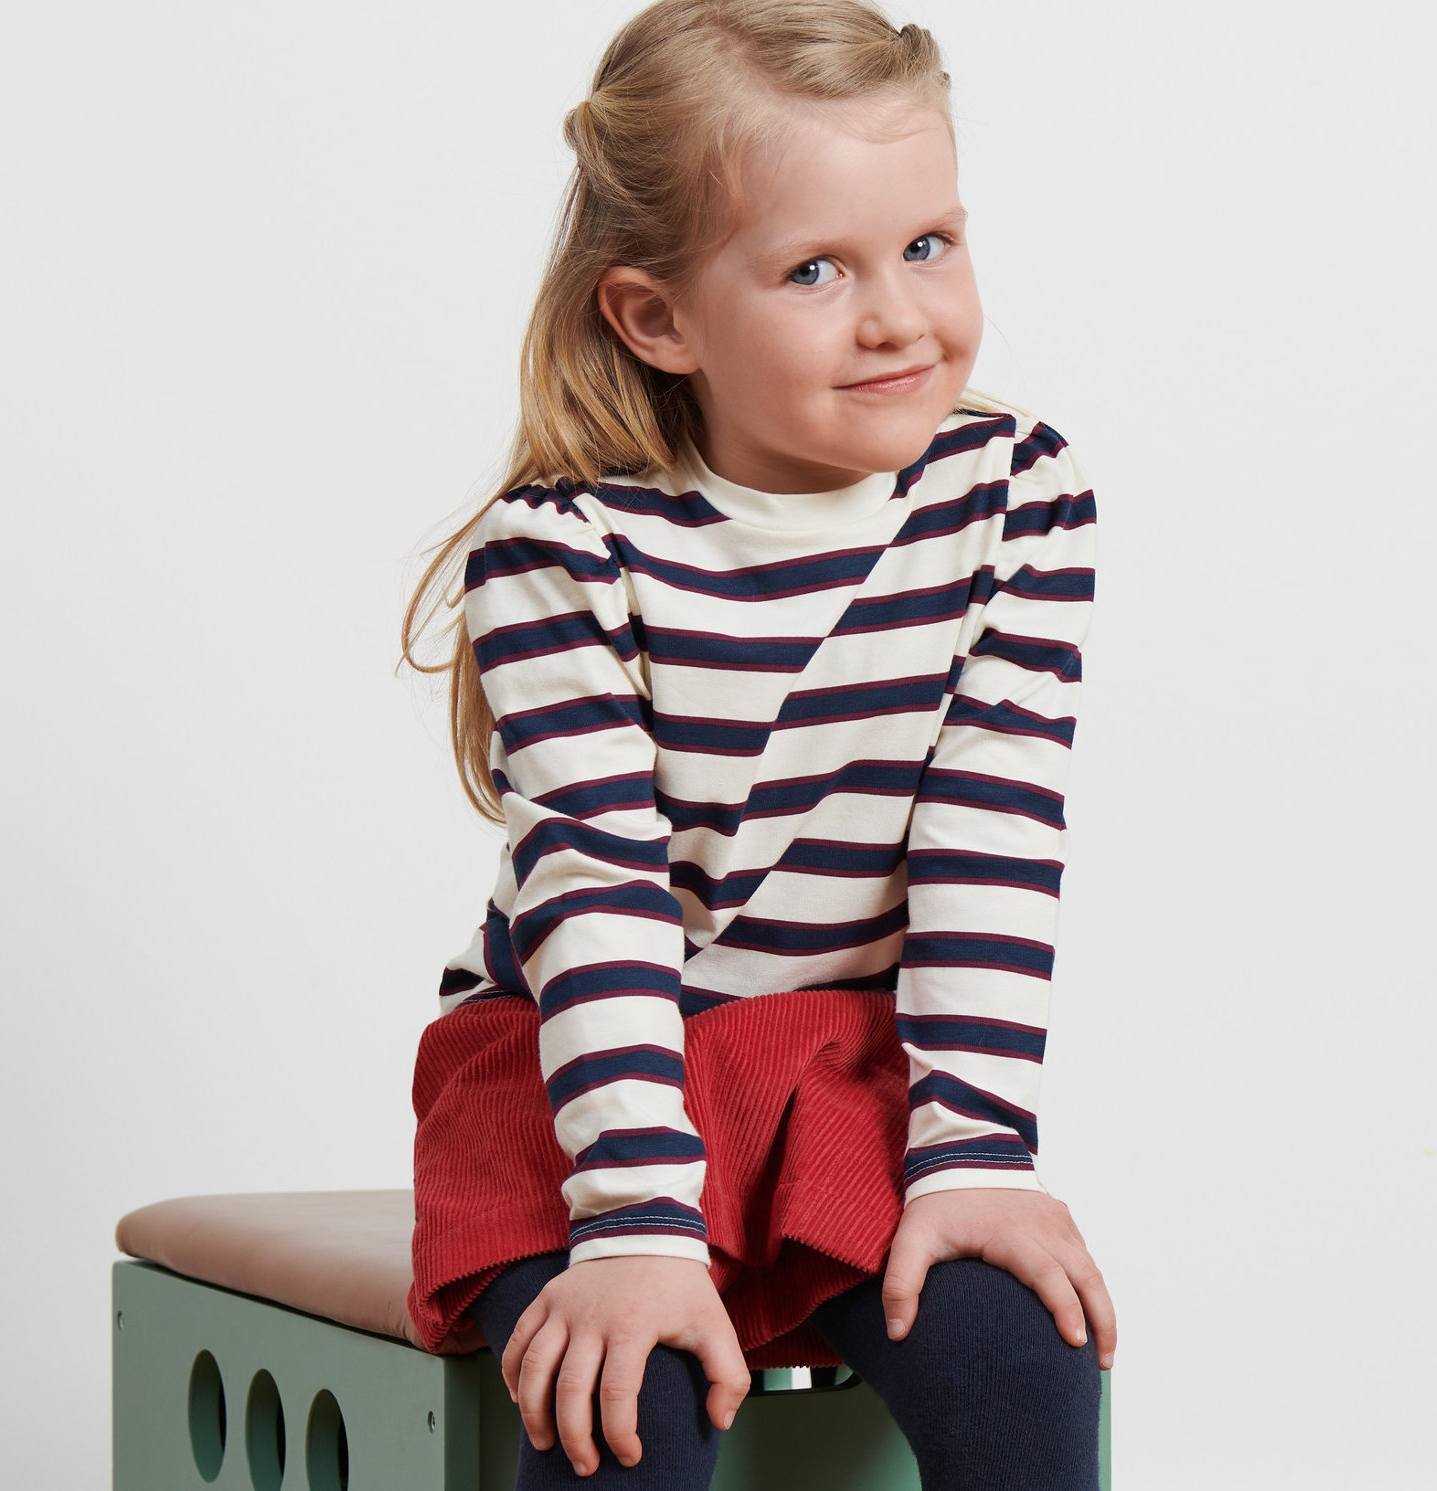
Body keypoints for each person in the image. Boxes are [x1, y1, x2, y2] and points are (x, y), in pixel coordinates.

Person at [402, 2, 1114, 1486]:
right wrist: (637, 1227)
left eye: (927, 244)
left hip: (845, 1065)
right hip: (586, 1069)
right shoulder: (567, 551)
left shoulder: (1013, 493)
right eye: (813, 271)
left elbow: (991, 829)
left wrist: (974, 1149)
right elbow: (594, 895)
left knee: (1012, 1346)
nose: (897, 317)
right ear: (657, 317)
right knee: (627, 1396)